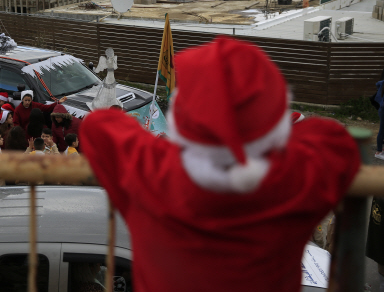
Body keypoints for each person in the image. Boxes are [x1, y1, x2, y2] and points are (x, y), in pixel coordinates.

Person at [79, 36, 361, 292]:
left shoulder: (149, 171)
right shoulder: (296, 178)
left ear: (181, 122)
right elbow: (334, 140)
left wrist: (162, 148)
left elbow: (99, 125)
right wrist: (272, 130)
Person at [375, 71, 384, 160]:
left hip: (381, 109)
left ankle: (381, 150)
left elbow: (377, 84)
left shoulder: (382, 82)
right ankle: (378, 152)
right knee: (382, 130)